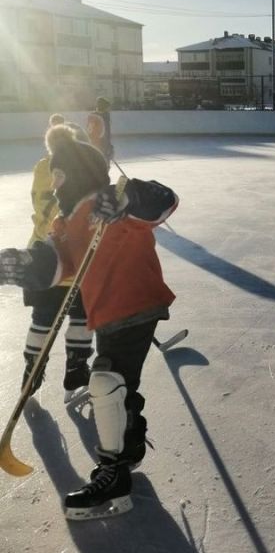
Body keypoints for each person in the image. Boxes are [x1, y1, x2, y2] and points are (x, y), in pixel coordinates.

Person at [0, 124, 178, 519]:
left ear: (77, 173)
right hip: (108, 313)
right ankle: (129, 444)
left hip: (137, 305)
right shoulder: (67, 221)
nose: (55, 184)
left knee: (106, 381)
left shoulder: (114, 203)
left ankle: (114, 473)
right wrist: (19, 266)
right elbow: (56, 265)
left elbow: (164, 202)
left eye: (60, 176)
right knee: (117, 382)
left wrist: (131, 197)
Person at [22, 115, 94, 402]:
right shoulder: (80, 172)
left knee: (42, 318)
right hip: (71, 259)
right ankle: (76, 372)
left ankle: (31, 372)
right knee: (81, 315)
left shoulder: (42, 166)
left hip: (39, 255)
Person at [87, 96, 114, 164]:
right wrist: (108, 146)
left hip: (93, 144)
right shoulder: (103, 117)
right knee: (103, 165)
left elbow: (89, 131)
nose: (109, 109)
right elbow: (105, 133)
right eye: (107, 107)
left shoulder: (92, 116)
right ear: (104, 107)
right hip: (101, 145)